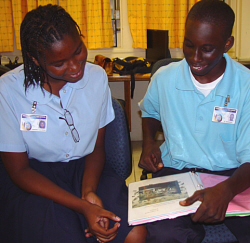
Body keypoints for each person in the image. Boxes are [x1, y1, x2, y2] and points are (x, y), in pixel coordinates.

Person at [0, 4, 146, 243]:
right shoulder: (9, 90)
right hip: (36, 178)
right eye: (59, 63)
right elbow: (19, 170)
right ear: (35, 60)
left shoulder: (97, 77)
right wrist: (82, 207)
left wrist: (88, 192)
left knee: (135, 233)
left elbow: (96, 147)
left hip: (86, 169)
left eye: (78, 51)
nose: (76, 67)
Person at [139, 0, 250, 242]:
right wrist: (149, 143)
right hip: (175, 171)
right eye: (188, 45)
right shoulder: (164, 78)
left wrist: (228, 189)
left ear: (227, 44)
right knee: (164, 235)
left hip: (231, 174)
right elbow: (150, 111)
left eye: (207, 49)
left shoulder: (246, 86)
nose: (195, 57)